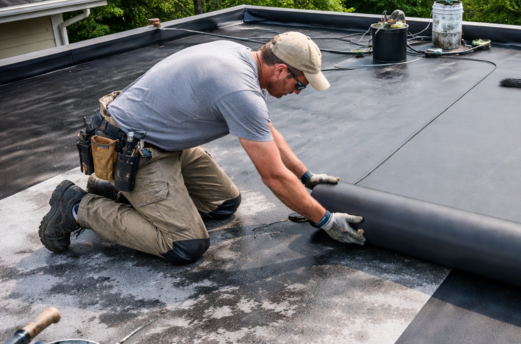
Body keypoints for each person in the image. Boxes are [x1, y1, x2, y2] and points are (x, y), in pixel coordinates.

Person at [38, 32, 365, 264]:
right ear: (280, 69)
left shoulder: (241, 58)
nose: (298, 91)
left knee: (224, 204)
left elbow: (263, 127)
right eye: (300, 84)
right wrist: (325, 221)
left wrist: (305, 176)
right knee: (185, 244)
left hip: (160, 139)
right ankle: (78, 207)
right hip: (132, 147)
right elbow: (274, 178)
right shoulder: (240, 90)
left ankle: (111, 190)